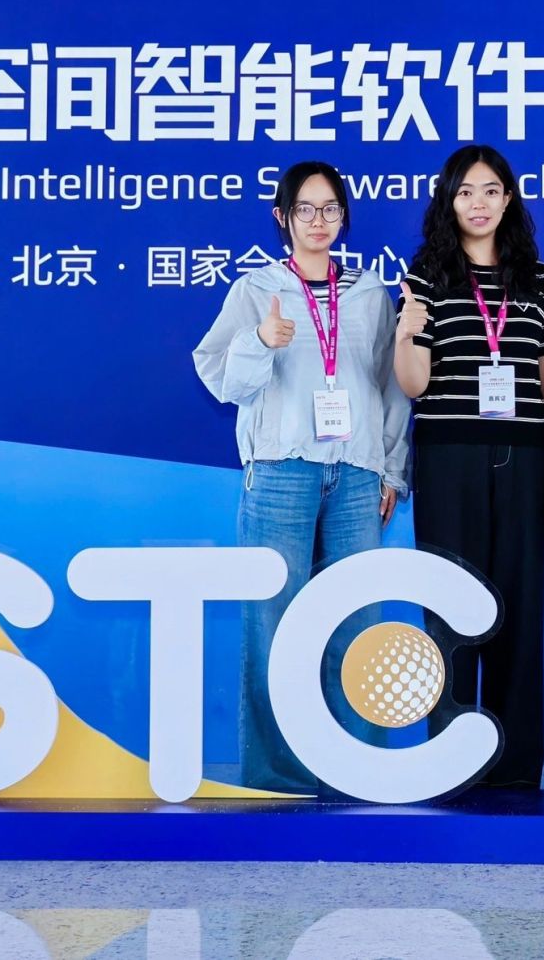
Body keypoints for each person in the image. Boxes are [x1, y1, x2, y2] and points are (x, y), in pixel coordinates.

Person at [193, 161, 410, 793]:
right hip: (282, 471)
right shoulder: (256, 290)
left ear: (344, 216)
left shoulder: (369, 295)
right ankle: (276, 779)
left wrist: (391, 468)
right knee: (273, 623)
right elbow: (223, 380)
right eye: (306, 209)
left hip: (358, 476)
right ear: (282, 217)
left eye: (331, 209)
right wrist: (260, 341)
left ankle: (358, 772)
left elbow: (391, 386)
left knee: (357, 623)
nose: (319, 221)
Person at [395, 144, 544, 788]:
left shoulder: (537, 278)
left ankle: (516, 767)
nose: (479, 203)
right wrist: (407, 330)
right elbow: (413, 385)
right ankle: (450, 759)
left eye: (491, 190)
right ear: (448, 200)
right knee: (450, 607)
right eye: (465, 191)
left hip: (523, 458)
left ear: (508, 199)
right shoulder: (426, 274)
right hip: (449, 458)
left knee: (520, 609)